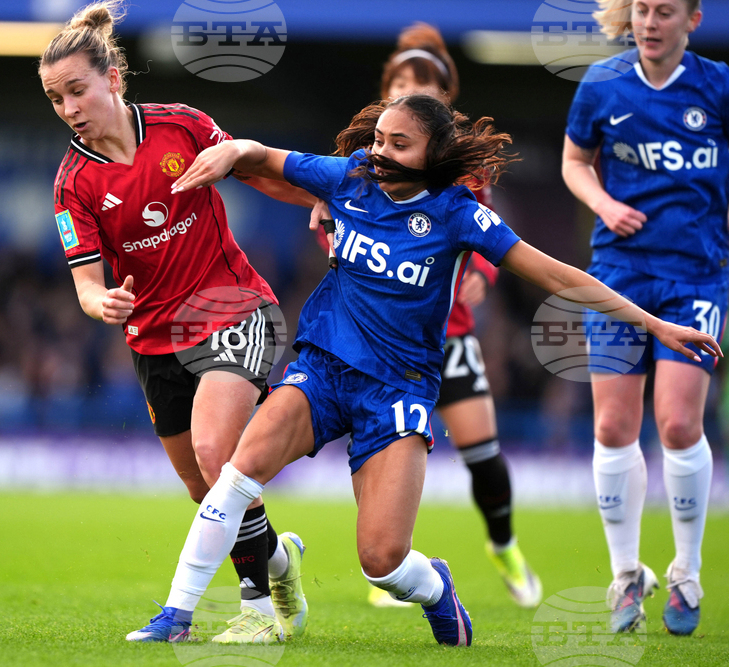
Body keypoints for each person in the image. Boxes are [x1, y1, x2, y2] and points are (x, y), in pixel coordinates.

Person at [125, 94, 720, 647]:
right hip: (323, 368)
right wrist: (234, 150)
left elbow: (562, 277)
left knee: (381, 561)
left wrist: (655, 326)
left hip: (398, 390)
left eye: (399, 144)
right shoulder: (350, 176)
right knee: (237, 471)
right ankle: (176, 615)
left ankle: (435, 585)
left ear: (433, 155)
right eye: (379, 139)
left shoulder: (458, 215)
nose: (381, 152)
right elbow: (266, 158)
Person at [40, 1, 314, 643]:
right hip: (154, 339)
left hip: (234, 305)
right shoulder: (72, 185)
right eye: (55, 98)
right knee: (205, 488)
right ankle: (279, 563)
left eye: (77, 89)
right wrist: (99, 302)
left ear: (113, 78)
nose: (69, 107)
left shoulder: (181, 125)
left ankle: (246, 612)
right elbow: (85, 281)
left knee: (220, 457)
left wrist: (323, 201)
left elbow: (258, 173)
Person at [311, 23, 540, 610]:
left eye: (427, 84)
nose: (415, 90)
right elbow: (342, 225)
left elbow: (490, 240)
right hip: (379, 344)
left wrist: (482, 281)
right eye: (403, 82)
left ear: (445, 97)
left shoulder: (462, 171)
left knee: (481, 451)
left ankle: (503, 543)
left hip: (446, 334)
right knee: (380, 455)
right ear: (386, 90)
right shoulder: (366, 159)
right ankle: (396, 562)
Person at [562, 0, 727, 636]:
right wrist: (604, 203)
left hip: (696, 276)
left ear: (693, 19)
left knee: (681, 423)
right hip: (620, 273)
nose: (650, 23)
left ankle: (686, 570)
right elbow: (575, 163)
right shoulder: (603, 85)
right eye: (642, 11)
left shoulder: (717, 86)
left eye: (664, 12)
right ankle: (626, 573)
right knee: (612, 422)